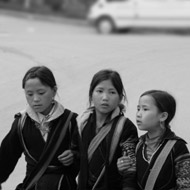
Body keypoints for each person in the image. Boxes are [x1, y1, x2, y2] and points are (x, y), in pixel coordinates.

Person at [0, 66, 79, 190]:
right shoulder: (21, 123)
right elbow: (5, 158)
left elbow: (85, 155)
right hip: (32, 184)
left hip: (61, 185)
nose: (35, 99)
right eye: (29, 94)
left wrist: (74, 156)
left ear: (54, 91)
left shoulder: (70, 120)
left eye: (41, 93)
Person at [77, 69, 138, 190]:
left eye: (112, 92)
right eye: (99, 91)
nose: (105, 97)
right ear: (91, 94)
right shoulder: (82, 123)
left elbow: (130, 168)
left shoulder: (125, 127)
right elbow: (76, 155)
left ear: (120, 97)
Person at [135, 90, 190, 189]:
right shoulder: (137, 145)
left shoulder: (177, 147)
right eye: (138, 109)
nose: (138, 114)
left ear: (163, 116)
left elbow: (185, 185)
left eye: (145, 109)